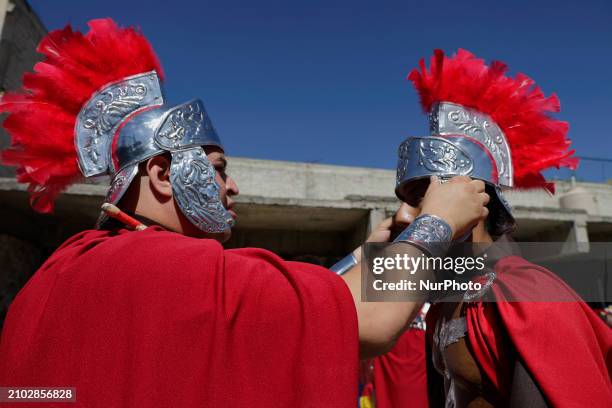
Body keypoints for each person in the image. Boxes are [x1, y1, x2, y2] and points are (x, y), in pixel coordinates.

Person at [0, 20, 488, 407]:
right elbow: (370, 321)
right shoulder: (173, 268)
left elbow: (288, 307)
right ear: (161, 175)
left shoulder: (54, 277)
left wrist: (367, 256)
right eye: (217, 168)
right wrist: (438, 220)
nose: (231, 185)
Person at [385, 49, 611, 407]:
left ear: (472, 201)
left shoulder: (530, 293)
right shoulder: (447, 296)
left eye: (420, 198)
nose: (402, 216)